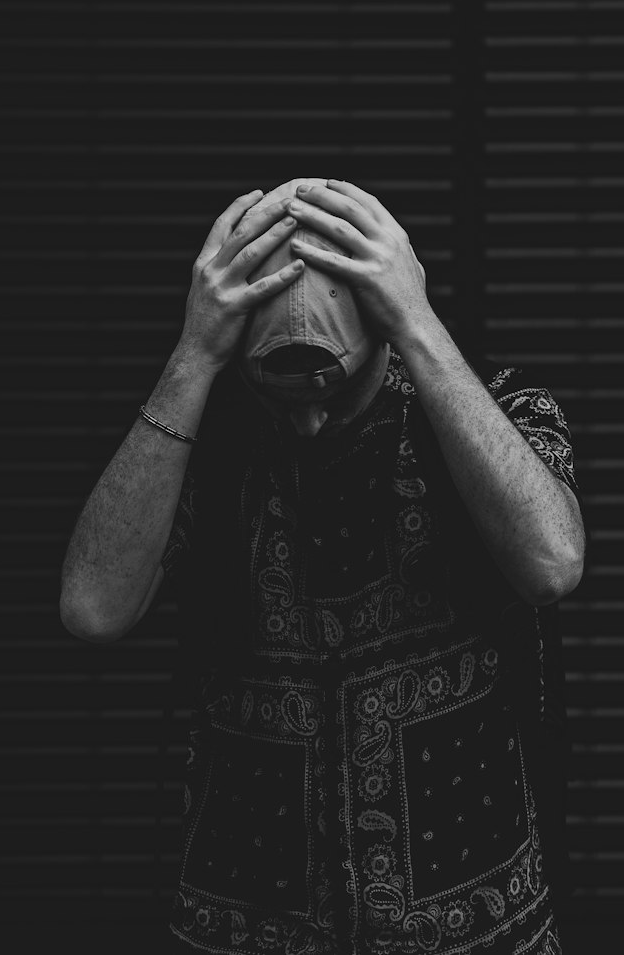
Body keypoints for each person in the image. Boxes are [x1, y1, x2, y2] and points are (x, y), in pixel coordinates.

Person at [60, 177, 586, 955]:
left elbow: (552, 564)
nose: (307, 420)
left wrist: (418, 323)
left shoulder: (498, 412)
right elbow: (93, 608)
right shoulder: (204, 451)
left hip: (478, 933)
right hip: (246, 927)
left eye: (331, 390)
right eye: (277, 393)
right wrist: (195, 353)